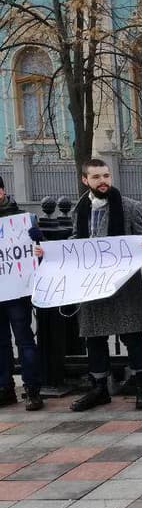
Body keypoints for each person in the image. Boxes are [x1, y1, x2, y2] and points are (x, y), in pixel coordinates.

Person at [50, 159, 142, 411]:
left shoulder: (130, 207)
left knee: (132, 334)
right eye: (97, 177)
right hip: (92, 284)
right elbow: (78, 239)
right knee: (94, 337)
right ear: (85, 180)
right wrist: (55, 252)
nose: (103, 181)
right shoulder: (80, 209)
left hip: (124, 284)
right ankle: (99, 389)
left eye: (106, 176)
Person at [0, 175, 43, 411]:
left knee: (24, 340)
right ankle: (5, 387)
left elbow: (39, 250)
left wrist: (37, 239)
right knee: (1, 343)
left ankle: (32, 389)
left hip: (17, 292)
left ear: (2, 191)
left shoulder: (22, 219)